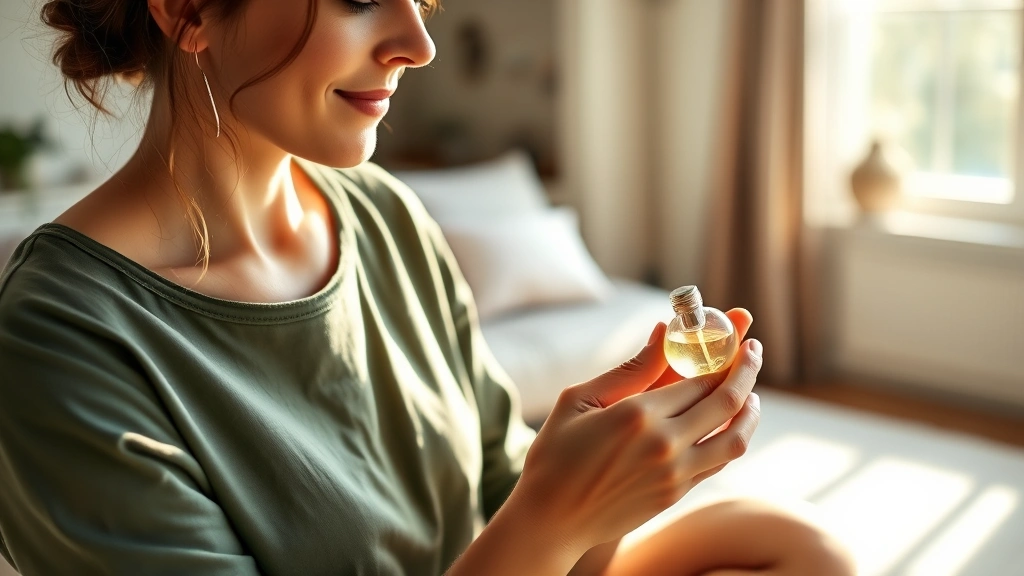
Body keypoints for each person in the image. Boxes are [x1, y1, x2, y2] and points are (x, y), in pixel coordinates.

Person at [0, 0, 856, 574]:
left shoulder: (383, 215)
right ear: (188, 8)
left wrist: (613, 482)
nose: (420, 43)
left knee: (793, 543)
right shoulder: (61, 336)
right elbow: (529, 534)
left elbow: (500, 493)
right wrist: (551, 521)